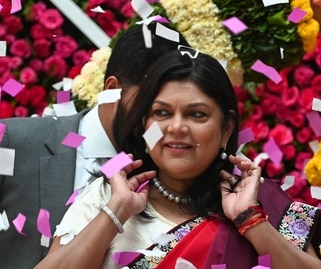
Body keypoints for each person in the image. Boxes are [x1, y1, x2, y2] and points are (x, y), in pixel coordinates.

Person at [35, 47, 321, 269]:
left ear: (226, 129)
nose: (176, 127)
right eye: (162, 113)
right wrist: (116, 211)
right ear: (144, 125)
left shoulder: (261, 202)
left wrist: (251, 221)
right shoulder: (105, 196)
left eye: (196, 114)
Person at [0, 22, 185, 268]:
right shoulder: (12, 142)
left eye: (168, 111)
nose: (161, 126)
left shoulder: (176, 170)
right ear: (112, 90)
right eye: (151, 108)